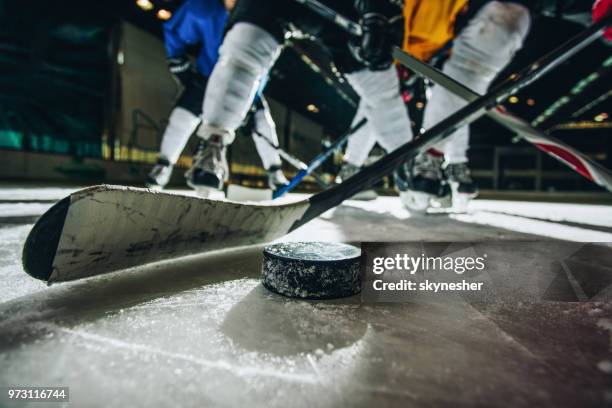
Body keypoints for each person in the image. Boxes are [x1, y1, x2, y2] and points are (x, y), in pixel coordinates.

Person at [186, 0, 414, 198]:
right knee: (245, 48)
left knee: (379, 84)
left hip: (347, 7)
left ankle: (408, 166)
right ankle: (213, 147)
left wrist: (378, 10)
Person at [146, 0, 289, 192]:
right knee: (181, 119)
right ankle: (162, 169)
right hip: (207, 76)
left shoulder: (258, 13)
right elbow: (176, 29)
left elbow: (262, 67)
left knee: (263, 121)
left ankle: (275, 174)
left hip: (246, 84)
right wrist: (177, 59)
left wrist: (253, 96)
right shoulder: (205, 9)